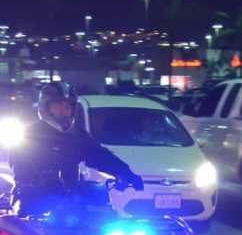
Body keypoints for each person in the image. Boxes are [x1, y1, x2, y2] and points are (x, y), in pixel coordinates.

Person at [9, 82, 144, 215]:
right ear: (45, 107)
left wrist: (125, 173)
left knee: (102, 212)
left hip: (70, 200)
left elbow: (99, 155)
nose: (64, 110)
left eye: (68, 106)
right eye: (58, 106)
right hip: (34, 200)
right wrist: (38, 182)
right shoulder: (28, 135)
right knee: (28, 216)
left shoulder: (77, 135)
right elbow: (21, 168)